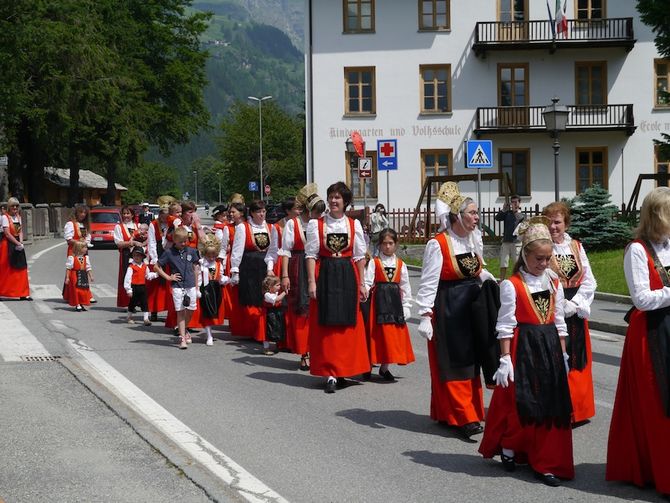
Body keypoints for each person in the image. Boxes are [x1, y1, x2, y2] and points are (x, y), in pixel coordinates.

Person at [479, 217, 573, 487]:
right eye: (538, 259)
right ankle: (510, 445)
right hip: (524, 348)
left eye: (547, 259)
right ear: (525, 255)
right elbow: (505, 324)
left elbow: (559, 321)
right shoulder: (512, 285)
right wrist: (505, 358)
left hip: (549, 347)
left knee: (550, 406)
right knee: (523, 403)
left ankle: (546, 461)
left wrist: (563, 355)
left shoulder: (553, 283)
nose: (543, 264)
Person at [415, 182, 495, 438]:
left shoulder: (471, 240)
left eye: (476, 213)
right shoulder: (438, 244)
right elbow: (429, 282)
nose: (477, 217)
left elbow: (477, 269)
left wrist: (488, 278)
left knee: (471, 360)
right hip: (449, 308)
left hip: (471, 308)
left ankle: (453, 411)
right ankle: (463, 416)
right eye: (472, 213)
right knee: (453, 361)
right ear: (457, 216)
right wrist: (425, 315)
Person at [606, 187, 670, 497]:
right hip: (651, 334)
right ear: (659, 216)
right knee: (657, 403)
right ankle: (660, 472)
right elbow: (641, 299)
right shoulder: (637, 250)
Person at [306, 181, 370, 394]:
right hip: (325, 273)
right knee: (327, 324)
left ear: (345, 201)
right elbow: (311, 255)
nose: (333, 201)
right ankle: (330, 372)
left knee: (346, 323)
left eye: (337, 197)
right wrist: (312, 282)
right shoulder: (316, 225)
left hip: (347, 274)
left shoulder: (353, 225)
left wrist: (362, 284)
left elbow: (359, 256)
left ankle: (343, 369)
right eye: (331, 197)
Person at [543, 201, 597, 425]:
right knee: (554, 358)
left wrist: (575, 304)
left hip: (574, 309)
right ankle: (557, 409)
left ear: (566, 223)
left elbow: (589, 280)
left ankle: (578, 409)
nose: (553, 227)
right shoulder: (541, 246)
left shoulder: (575, 246)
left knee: (577, 358)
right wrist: (559, 304)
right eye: (549, 222)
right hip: (550, 309)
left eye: (557, 222)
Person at [280, 183, 326, 371]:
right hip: (299, 267)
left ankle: (317, 350)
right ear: (308, 209)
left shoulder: (322, 224)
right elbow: (285, 250)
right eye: (316, 212)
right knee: (301, 309)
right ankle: (304, 352)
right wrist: (285, 275)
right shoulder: (293, 224)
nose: (318, 215)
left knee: (318, 309)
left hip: (319, 266)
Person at [364, 228, 414, 381]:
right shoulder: (374, 262)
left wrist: (406, 305)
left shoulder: (401, 264)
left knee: (391, 337)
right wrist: (364, 293)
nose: (387, 246)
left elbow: (405, 286)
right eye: (384, 243)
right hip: (378, 304)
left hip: (395, 304)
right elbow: (368, 281)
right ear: (380, 245)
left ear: (396, 244)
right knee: (376, 335)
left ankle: (384, 367)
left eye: (390, 243)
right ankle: (368, 365)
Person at [230, 200, 271, 341]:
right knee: (252, 298)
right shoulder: (243, 227)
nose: (262, 214)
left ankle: (263, 331)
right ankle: (254, 331)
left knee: (264, 298)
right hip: (249, 267)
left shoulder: (270, 227)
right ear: (252, 213)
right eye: (259, 212)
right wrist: (235, 271)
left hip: (265, 267)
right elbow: (237, 250)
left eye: (264, 211)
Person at [155, 227, 201, 349]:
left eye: (185, 241)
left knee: (191, 310)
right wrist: (168, 277)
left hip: (191, 286)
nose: (184, 243)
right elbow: (156, 267)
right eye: (181, 242)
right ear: (174, 240)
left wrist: (197, 286)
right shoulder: (169, 253)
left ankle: (184, 329)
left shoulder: (192, 251)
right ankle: (182, 338)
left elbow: (196, 269)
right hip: (177, 287)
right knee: (180, 311)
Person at [220, 199, 246, 331]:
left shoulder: (248, 226)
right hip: (233, 261)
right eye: (230, 212)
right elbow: (223, 247)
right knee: (233, 293)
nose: (230, 214)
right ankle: (234, 320)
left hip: (246, 259)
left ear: (241, 213)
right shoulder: (228, 228)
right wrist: (221, 265)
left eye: (233, 212)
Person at [199, 235, 228, 346]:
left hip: (215, 291)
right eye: (209, 255)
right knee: (206, 313)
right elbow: (199, 277)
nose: (211, 258)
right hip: (205, 290)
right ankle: (209, 335)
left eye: (214, 255)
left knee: (213, 312)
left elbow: (220, 277)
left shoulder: (218, 264)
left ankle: (209, 332)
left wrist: (226, 280)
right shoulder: (201, 264)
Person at [0, 198, 31, 300]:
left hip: (17, 243)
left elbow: (19, 232)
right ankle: (2, 291)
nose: (15, 208)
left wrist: (21, 243)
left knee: (21, 268)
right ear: (9, 207)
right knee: (6, 269)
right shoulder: (5, 217)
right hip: (8, 245)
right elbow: (7, 234)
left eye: (17, 206)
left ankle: (23, 293)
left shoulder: (18, 217)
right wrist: (17, 243)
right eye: (13, 206)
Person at [113, 205, 140, 308]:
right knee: (126, 277)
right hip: (126, 254)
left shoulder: (138, 226)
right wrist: (131, 243)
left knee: (138, 276)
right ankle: (127, 302)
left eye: (128, 213)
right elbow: (118, 243)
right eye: (124, 213)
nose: (126, 215)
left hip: (138, 254)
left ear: (132, 215)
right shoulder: (119, 227)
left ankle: (138, 301)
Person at [147, 206, 170, 320]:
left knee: (168, 285)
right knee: (155, 285)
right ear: (160, 215)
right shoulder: (153, 224)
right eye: (163, 216)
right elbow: (151, 242)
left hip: (169, 255)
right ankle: (153, 311)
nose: (165, 219)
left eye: (167, 216)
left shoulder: (171, 224)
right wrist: (155, 259)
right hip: (158, 253)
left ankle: (170, 311)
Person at [496, 195, 525, 280]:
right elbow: (497, 218)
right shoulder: (507, 213)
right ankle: (502, 280)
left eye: (516, 202)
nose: (514, 204)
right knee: (503, 263)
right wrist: (503, 209)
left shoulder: (522, 215)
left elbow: (519, 219)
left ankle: (517, 280)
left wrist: (516, 211)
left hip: (516, 243)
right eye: (513, 202)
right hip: (506, 242)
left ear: (519, 203)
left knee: (516, 263)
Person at [63, 240, 93, 311]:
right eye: (84, 247)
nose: (86, 249)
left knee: (83, 289)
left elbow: (88, 268)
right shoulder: (72, 258)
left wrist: (91, 276)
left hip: (83, 275)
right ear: (79, 249)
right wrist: (67, 277)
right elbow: (68, 268)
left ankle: (82, 303)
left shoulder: (86, 258)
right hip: (75, 275)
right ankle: (77, 304)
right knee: (76, 290)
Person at [262, 275, 286, 355]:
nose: (279, 287)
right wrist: (285, 292)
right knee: (267, 331)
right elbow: (277, 299)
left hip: (275, 314)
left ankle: (277, 345)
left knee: (276, 329)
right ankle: (266, 348)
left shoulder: (274, 292)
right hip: (269, 315)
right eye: (277, 285)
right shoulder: (267, 295)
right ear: (270, 286)